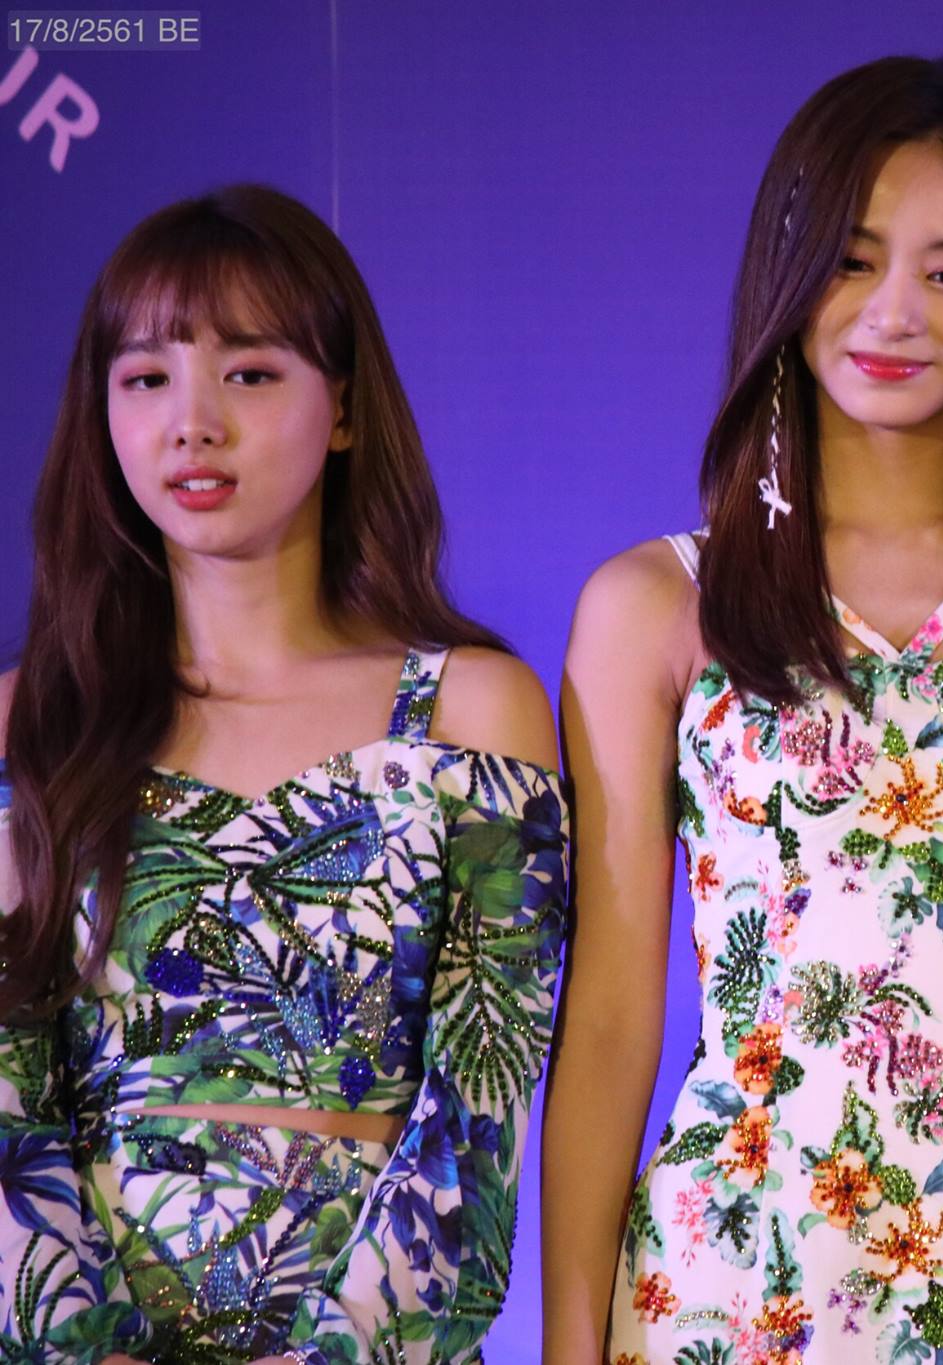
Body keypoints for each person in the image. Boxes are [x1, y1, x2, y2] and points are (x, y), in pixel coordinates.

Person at [540, 57, 943, 1365]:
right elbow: (608, 1024)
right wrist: (568, 1340)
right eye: (850, 261)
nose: (893, 312)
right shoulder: (654, 603)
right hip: (738, 1280)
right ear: (787, 271)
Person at [0, 184, 566, 1365]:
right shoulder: (29, 723)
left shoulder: (472, 712)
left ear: (344, 408)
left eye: (249, 373)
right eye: (145, 378)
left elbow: (482, 1100)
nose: (191, 423)